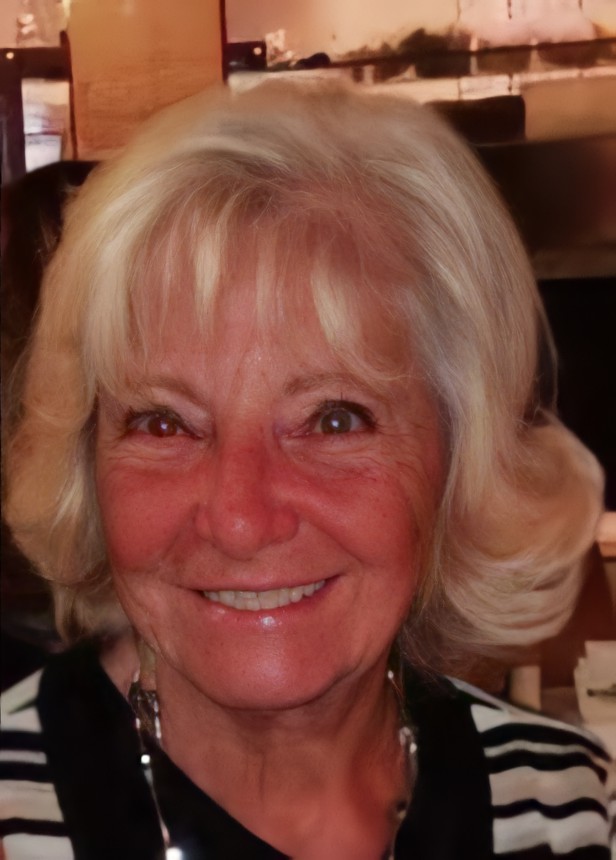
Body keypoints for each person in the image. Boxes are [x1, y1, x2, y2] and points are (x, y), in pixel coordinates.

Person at [0, 80, 612, 860]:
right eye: (164, 422)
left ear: (462, 459)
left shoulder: (568, 805)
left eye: (334, 419)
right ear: (86, 467)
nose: (240, 520)